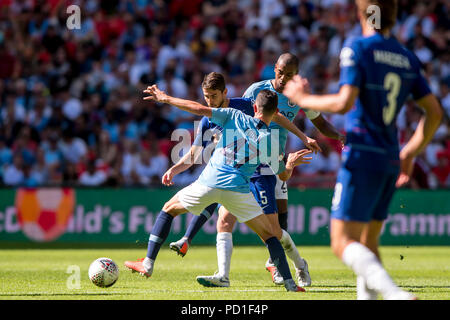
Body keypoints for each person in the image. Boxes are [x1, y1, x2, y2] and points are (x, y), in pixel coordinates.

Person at [282, 0, 443, 299]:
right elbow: (434, 113)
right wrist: (409, 153)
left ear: (363, 13)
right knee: (368, 245)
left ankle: (396, 294)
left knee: (342, 242)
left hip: (362, 153)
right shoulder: (406, 57)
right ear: (393, 17)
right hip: (390, 156)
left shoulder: (358, 47)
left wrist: (303, 98)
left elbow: (344, 101)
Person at [171, 53, 344, 288]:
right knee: (224, 217)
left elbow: (321, 124)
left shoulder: (299, 97)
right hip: (244, 163)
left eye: (290, 75)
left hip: (273, 161)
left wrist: (338, 136)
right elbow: (238, 118)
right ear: (275, 69)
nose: (284, 78)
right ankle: (222, 273)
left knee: (276, 228)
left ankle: (297, 264)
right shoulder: (255, 90)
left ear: (296, 75)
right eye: (281, 73)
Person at [124, 86, 313, 292]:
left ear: (255, 107)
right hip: (239, 191)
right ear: (276, 112)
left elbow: (197, 109)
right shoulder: (272, 143)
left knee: (169, 209)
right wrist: (291, 164)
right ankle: (289, 283)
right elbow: (283, 176)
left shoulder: (234, 115)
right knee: (269, 235)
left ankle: (148, 263)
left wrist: (166, 98)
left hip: (210, 183)